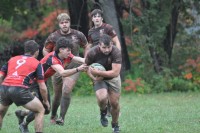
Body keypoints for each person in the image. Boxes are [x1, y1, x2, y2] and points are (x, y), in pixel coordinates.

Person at [15, 37, 87, 133]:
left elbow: (77, 59)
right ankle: (24, 125)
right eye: (68, 50)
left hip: (42, 82)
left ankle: (22, 113)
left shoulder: (63, 55)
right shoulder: (52, 59)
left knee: (46, 109)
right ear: (61, 49)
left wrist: (90, 61)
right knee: (40, 108)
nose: (70, 53)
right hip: (32, 82)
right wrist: (78, 69)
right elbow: (62, 73)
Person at [43, 12, 90, 125]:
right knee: (57, 94)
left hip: (74, 65)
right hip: (58, 67)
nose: (64, 24)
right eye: (62, 23)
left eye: (66, 22)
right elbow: (45, 50)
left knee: (67, 89)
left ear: (69, 22)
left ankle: (61, 118)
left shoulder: (78, 35)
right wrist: (51, 62)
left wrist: (87, 58)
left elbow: (86, 46)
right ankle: (53, 115)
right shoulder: (54, 36)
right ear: (59, 24)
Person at [0, 40, 50, 133]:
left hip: (5, 87)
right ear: (37, 51)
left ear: (25, 50)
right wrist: (46, 101)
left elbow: (1, 76)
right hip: (19, 89)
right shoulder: (37, 63)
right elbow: (42, 86)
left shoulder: (12, 59)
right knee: (40, 110)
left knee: (1, 112)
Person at [88, 9, 122, 117]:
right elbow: (89, 45)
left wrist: (118, 54)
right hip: (97, 60)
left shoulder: (108, 28)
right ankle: (106, 109)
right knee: (102, 90)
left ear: (102, 18)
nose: (97, 18)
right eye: (95, 16)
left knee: (113, 83)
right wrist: (87, 57)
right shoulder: (91, 32)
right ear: (92, 19)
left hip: (109, 59)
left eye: (99, 16)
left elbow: (116, 41)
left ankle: (114, 107)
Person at [85, 34, 122, 133]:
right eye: (104, 47)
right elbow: (86, 67)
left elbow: (115, 72)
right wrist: (94, 77)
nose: (106, 50)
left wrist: (99, 73)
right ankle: (103, 112)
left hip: (113, 78)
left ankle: (115, 124)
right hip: (99, 79)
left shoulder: (116, 52)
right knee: (102, 98)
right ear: (99, 45)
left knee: (114, 103)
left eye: (109, 47)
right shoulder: (92, 53)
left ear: (112, 44)